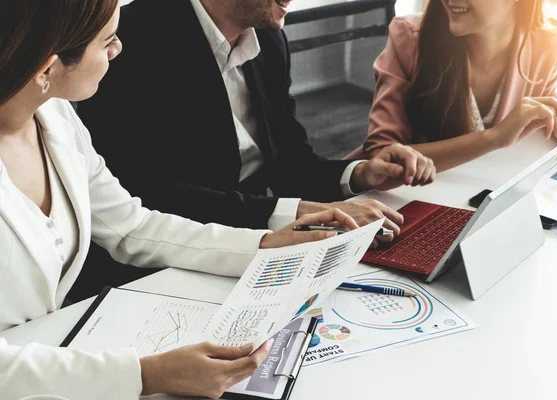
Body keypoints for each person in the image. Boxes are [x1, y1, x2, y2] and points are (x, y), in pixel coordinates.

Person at [0, 1, 360, 398]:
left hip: (57, 357)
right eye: (108, 42)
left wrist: (261, 245)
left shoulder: (56, 116)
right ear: (47, 69)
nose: (118, 50)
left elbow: (132, 226)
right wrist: (145, 376)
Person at [74, 0, 438, 297]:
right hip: (160, 269)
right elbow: (152, 195)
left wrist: (360, 172)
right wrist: (293, 214)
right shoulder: (132, 40)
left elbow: (289, 161)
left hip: (253, 243)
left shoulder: (268, 39)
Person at [352, 0, 557, 172]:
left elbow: (544, 102)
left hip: (481, 193)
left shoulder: (550, 40)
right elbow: (380, 157)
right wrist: (492, 138)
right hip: (404, 203)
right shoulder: (409, 37)